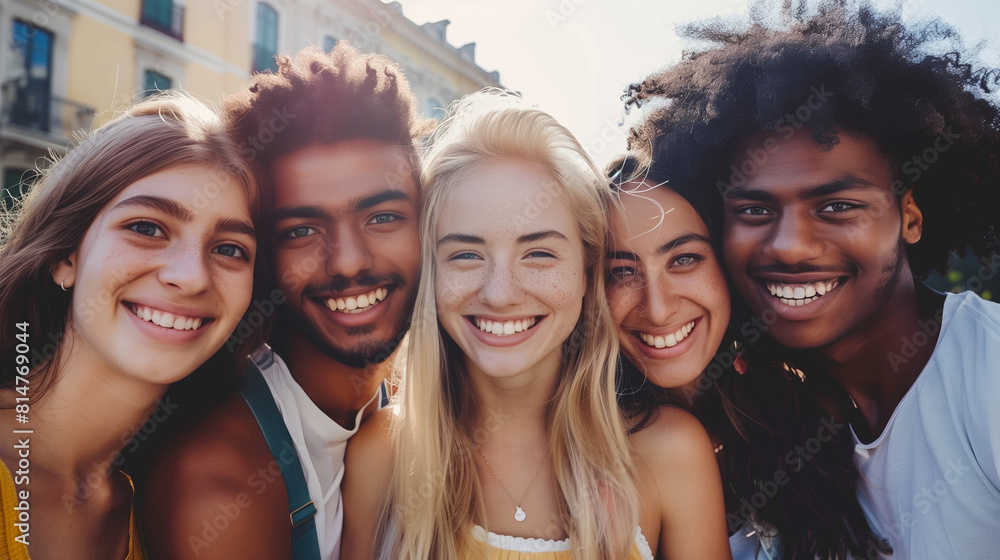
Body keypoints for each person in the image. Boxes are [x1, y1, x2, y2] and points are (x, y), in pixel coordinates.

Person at [623, 2, 1000, 558]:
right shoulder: (777, 417)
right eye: (753, 211)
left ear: (911, 217)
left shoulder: (986, 371)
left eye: (837, 206)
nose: (790, 246)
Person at [342, 90, 731, 560]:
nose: (500, 293)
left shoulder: (670, 453)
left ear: (588, 271)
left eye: (539, 253)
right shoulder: (380, 453)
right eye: (466, 254)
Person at [141, 44, 426, 560]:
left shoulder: (402, 406)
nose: (347, 262)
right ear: (264, 256)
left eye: (382, 217)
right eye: (301, 229)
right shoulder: (220, 484)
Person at [0, 92, 263, 559]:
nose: (191, 276)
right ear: (66, 255)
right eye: (146, 227)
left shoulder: (166, 505)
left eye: (229, 249)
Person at [607, 154, 878, 560]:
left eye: (684, 259)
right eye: (622, 272)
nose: (658, 308)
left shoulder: (811, 404)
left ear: (727, 262)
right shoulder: (592, 442)